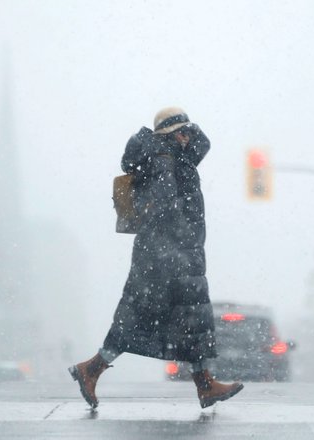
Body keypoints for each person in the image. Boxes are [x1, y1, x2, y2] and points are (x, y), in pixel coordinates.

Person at [69, 107, 244, 409]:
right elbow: (164, 209)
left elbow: (200, 148)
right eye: (183, 132)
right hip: (169, 257)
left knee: (179, 321)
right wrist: (179, 246)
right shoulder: (164, 161)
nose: (189, 137)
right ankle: (93, 369)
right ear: (170, 135)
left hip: (167, 255)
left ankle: (203, 385)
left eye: (189, 131)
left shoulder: (172, 157)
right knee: (164, 319)